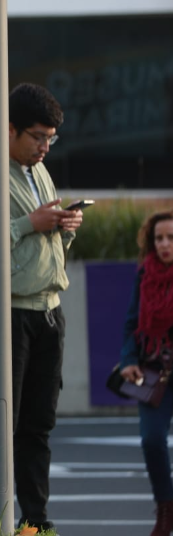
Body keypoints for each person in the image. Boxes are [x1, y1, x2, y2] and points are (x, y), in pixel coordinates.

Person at [8, 82, 84, 532]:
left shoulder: (39, 172)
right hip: (14, 312)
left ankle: (35, 521)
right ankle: (2, 515)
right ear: (11, 129)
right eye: (37, 136)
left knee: (39, 423)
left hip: (51, 309)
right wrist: (30, 222)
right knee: (9, 423)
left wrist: (64, 224)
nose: (44, 146)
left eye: (50, 139)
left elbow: (42, 240)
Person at [117, 212, 173, 536]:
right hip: (154, 374)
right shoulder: (145, 275)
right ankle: (165, 509)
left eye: (170, 238)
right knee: (152, 440)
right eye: (159, 238)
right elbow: (130, 325)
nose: (164, 244)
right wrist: (128, 360)